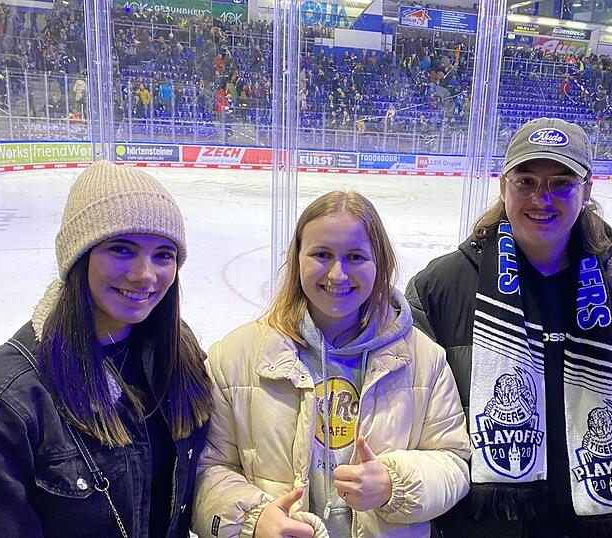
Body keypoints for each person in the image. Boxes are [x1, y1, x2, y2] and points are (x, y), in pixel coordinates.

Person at [406, 117, 612, 538]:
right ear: (503, 185)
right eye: (526, 181)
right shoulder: (439, 289)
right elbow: (418, 422)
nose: (541, 198)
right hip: (480, 527)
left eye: (561, 183)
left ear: (587, 189)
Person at [0, 160, 214, 537]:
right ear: (78, 256)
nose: (145, 275)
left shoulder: (177, 352)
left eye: (163, 254)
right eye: (121, 249)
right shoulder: (0, 403)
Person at [193, 191, 470, 537]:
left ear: (379, 264)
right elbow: (206, 470)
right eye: (322, 255)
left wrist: (393, 484)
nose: (338, 274)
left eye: (355, 257)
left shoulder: (425, 360)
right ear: (297, 260)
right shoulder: (233, 358)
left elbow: (454, 463)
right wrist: (255, 520)